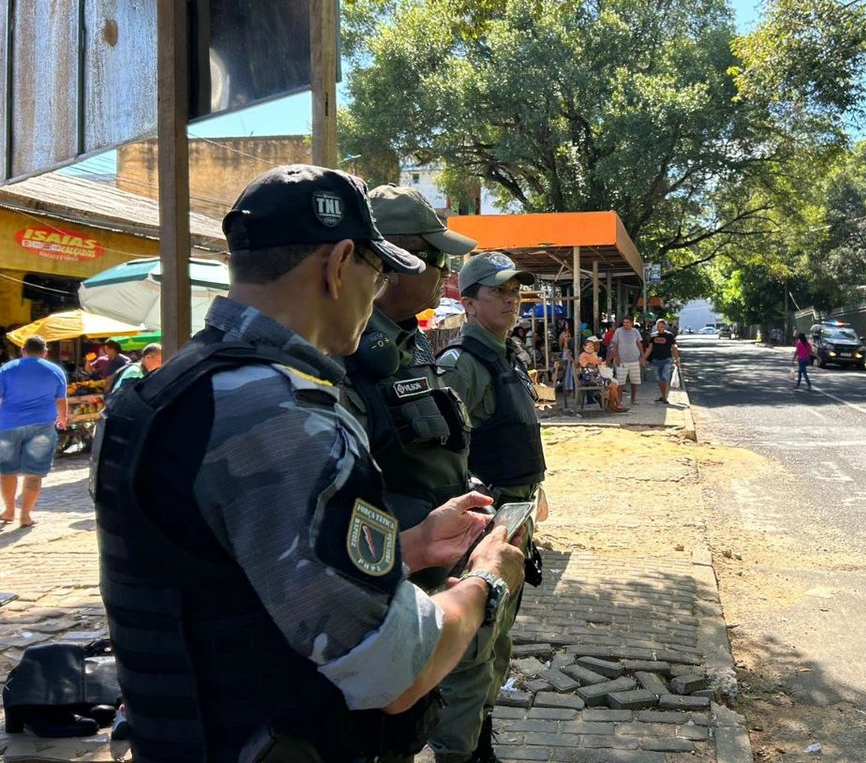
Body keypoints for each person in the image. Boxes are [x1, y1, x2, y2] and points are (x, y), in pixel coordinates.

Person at [91, 165, 525, 763]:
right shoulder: (284, 412)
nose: (376, 295)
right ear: (339, 263)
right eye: (376, 273)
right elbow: (396, 668)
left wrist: (414, 545)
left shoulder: (156, 392)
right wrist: (488, 582)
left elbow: (235, 576)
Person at [342, 185, 514, 763]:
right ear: (393, 260)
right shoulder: (347, 352)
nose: (445, 272)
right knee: (403, 691)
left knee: (464, 666)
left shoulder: (408, 344)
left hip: (439, 539)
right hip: (396, 555)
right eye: (436, 258)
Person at [437, 252, 548, 760]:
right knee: (472, 653)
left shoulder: (509, 357)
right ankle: (459, 752)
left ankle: (479, 739)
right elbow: (441, 456)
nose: (511, 299)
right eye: (499, 291)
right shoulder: (460, 366)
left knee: (499, 643)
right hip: (485, 528)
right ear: (468, 301)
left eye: (516, 291)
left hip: (515, 521)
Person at [0, 336, 67, 527]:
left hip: (8, 426)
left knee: (7, 471)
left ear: (23, 350)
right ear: (45, 352)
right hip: (42, 427)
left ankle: (9, 510)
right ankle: (25, 516)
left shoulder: (6, 369)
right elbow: (61, 400)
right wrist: (62, 418)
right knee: (34, 473)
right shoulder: (55, 370)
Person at [642, 318, 681, 404]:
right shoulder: (653, 336)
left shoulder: (669, 336)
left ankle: (665, 397)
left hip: (666, 359)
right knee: (659, 379)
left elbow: (673, 347)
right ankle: (663, 394)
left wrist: (676, 359)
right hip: (656, 359)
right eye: (658, 326)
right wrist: (643, 358)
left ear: (665, 327)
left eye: (662, 326)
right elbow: (650, 348)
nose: (660, 328)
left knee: (665, 377)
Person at [610, 315, 644, 405]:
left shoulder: (635, 331)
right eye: (624, 322)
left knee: (635, 381)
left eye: (628, 322)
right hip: (622, 360)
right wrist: (616, 357)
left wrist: (642, 356)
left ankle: (633, 399)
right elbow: (615, 345)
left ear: (632, 323)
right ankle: (619, 400)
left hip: (634, 360)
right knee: (620, 382)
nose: (626, 324)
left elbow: (639, 344)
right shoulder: (618, 331)